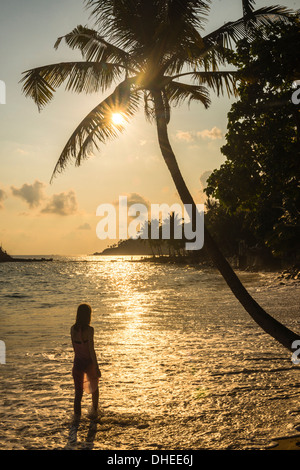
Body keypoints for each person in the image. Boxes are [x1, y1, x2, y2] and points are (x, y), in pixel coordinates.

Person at [71, 303, 101, 420]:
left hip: (78, 363)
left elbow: (75, 348)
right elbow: (91, 350)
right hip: (89, 363)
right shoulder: (89, 330)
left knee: (78, 394)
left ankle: (76, 419)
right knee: (95, 390)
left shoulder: (72, 329)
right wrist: (97, 367)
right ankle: (94, 413)